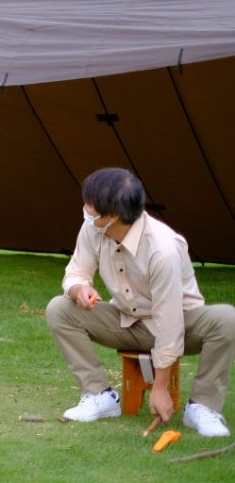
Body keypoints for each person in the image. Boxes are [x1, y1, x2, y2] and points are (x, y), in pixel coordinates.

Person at [47, 167, 235, 436]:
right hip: (126, 320)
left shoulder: (163, 249)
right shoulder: (94, 227)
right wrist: (79, 288)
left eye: (91, 206)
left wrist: (159, 389)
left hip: (181, 325)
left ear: (113, 217)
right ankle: (100, 395)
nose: (85, 209)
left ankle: (202, 407)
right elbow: (76, 270)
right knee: (59, 308)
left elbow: (169, 324)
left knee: (227, 318)